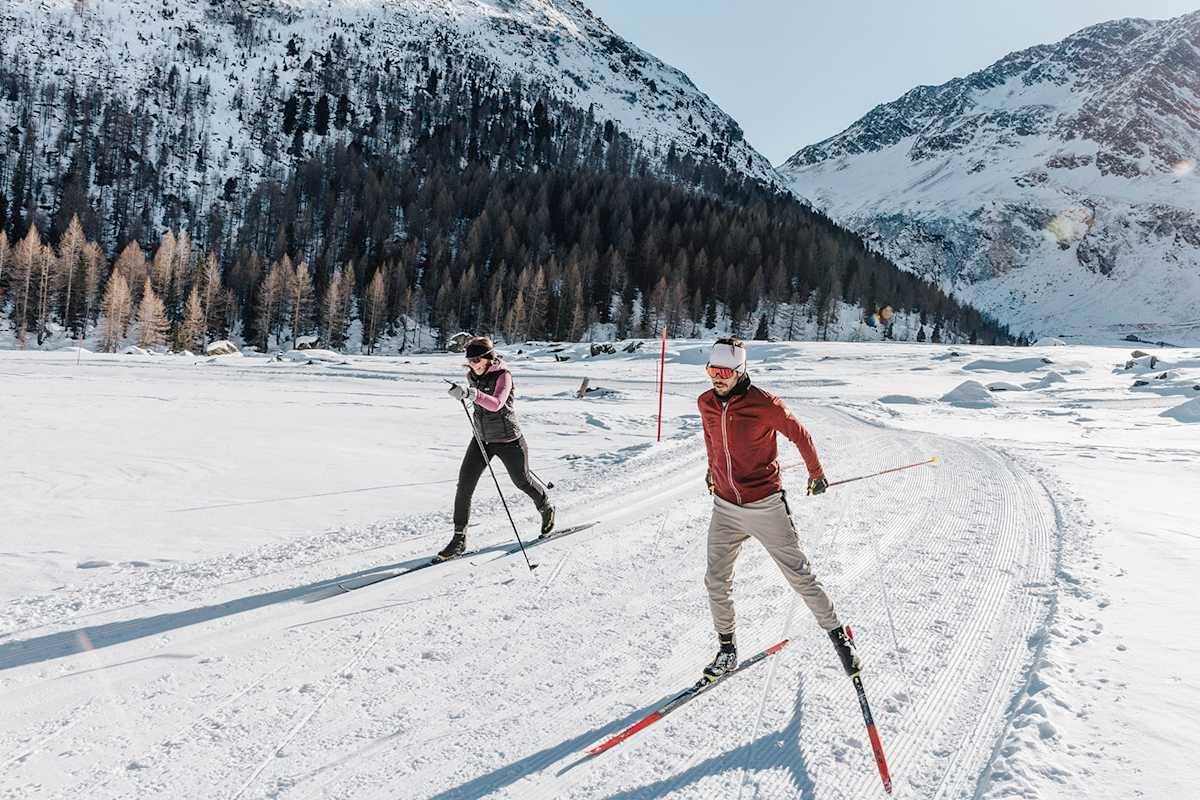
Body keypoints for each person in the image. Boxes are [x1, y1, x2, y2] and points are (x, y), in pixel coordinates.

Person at [697, 337, 860, 681]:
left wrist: (816, 474)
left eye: (724, 371)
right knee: (716, 581)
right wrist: (713, 473)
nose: (717, 378)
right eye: (713, 370)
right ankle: (727, 651)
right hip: (725, 507)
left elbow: (800, 435)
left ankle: (839, 636)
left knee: (800, 575)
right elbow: (712, 440)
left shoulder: (765, 404)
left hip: (765, 505)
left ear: (741, 371)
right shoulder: (706, 403)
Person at [438, 337, 554, 561]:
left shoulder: (504, 376)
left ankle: (546, 506)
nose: (473, 364)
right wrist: (461, 393)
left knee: (522, 481)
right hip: (482, 439)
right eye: (470, 360)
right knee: (464, 485)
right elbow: (477, 402)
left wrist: (472, 394)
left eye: (477, 359)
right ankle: (459, 539)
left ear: (489, 357)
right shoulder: (471, 375)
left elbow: (496, 403)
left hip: (508, 440)